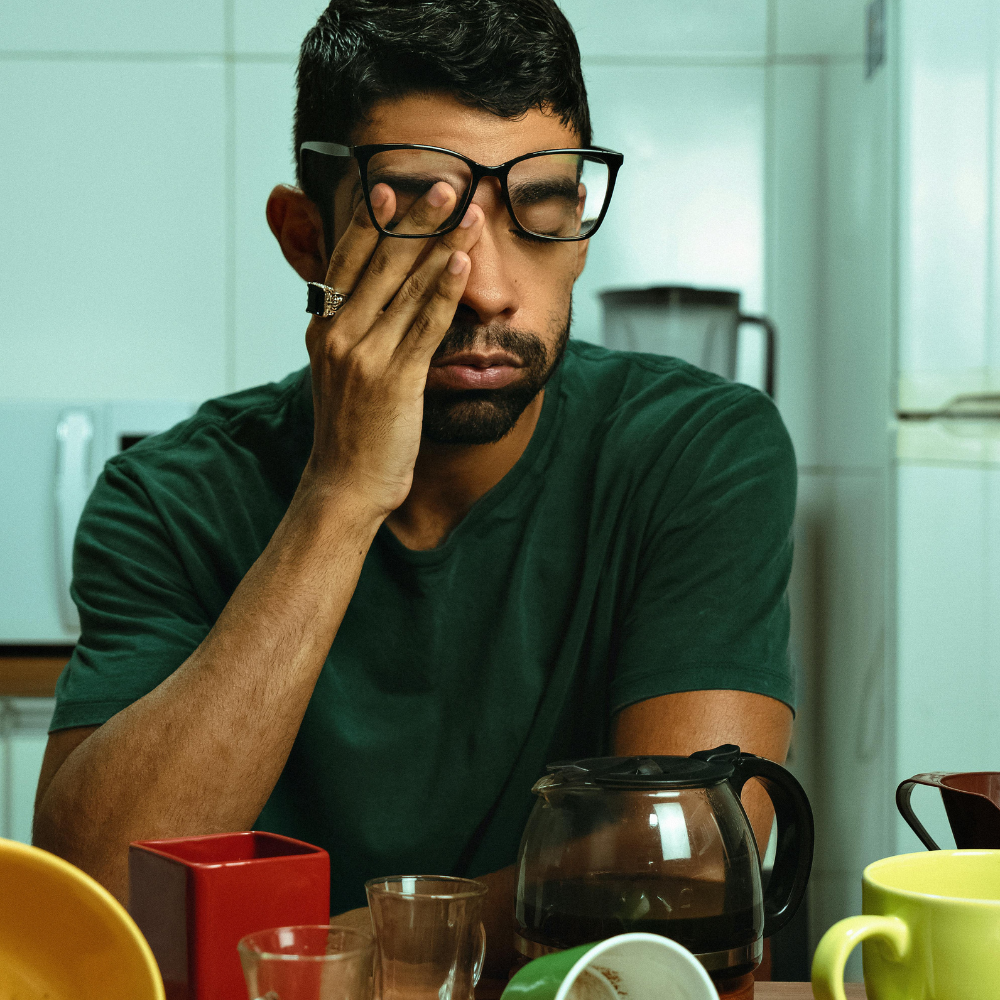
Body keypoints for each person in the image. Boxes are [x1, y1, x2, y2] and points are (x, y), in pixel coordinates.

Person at [32, 0, 796, 975]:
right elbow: (98, 901)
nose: (484, 288)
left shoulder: (696, 448)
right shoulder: (169, 496)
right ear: (308, 240)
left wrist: (345, 946)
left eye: (544, 209)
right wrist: (339, 497)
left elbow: (689, 869)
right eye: (419, 216)